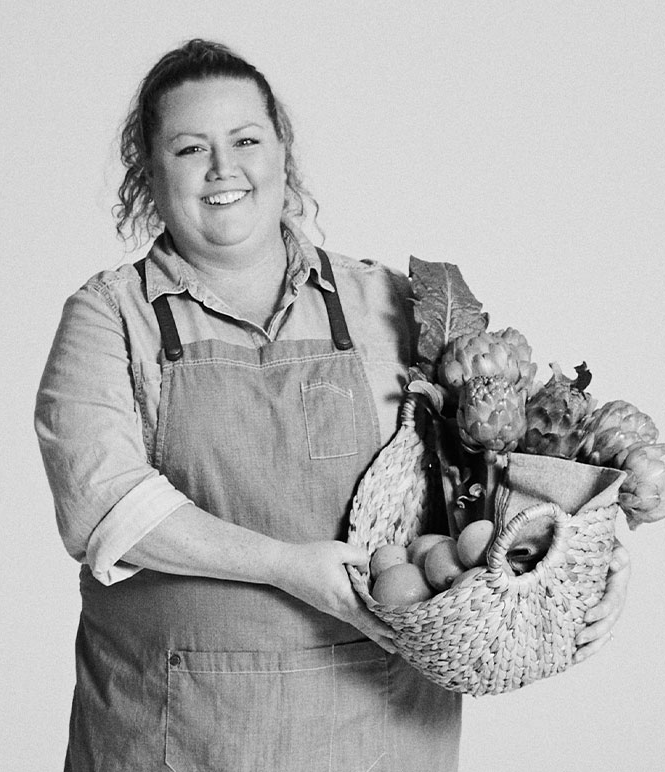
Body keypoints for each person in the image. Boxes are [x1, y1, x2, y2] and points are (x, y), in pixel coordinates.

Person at [35, 39, 629, 771]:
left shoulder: (388, 304)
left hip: (376, 730)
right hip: (176, 733)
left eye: (246, 140)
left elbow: (499, 477)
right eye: (191, 149)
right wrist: (287, 566)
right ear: (150, 175)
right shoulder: (110, 317)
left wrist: (581, 566)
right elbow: (103, 505)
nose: (225, 168)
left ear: (282, 154)